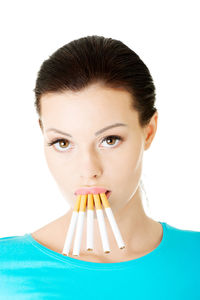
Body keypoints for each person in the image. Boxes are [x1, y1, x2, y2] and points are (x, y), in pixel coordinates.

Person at [0, 35, 199, 299]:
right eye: (62, 142)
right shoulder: (7, 271)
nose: (88, 169)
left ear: (149, 131)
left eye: (110, 140)